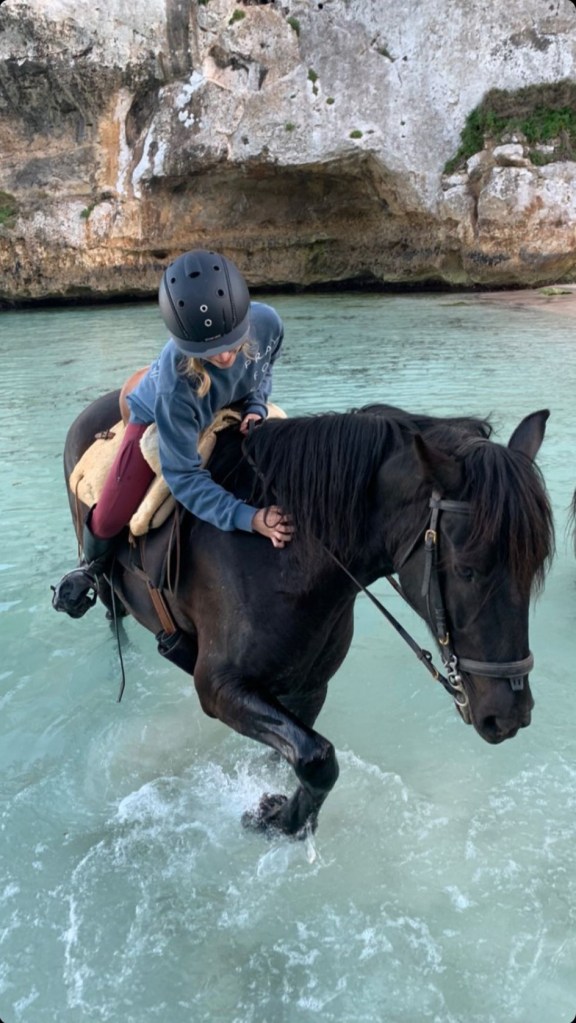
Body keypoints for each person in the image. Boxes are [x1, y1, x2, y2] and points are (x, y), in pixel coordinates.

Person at [52, 248, 293, 619]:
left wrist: (257, 405)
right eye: (210, 350)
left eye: (230, 342)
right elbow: (183, 477)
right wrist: (250, 518)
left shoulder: (268, 324)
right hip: (156, 411)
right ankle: (93, 567)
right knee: (111, 514)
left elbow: (262, 372)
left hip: (230, 402)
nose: (226, 357)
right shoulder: (176, 382)